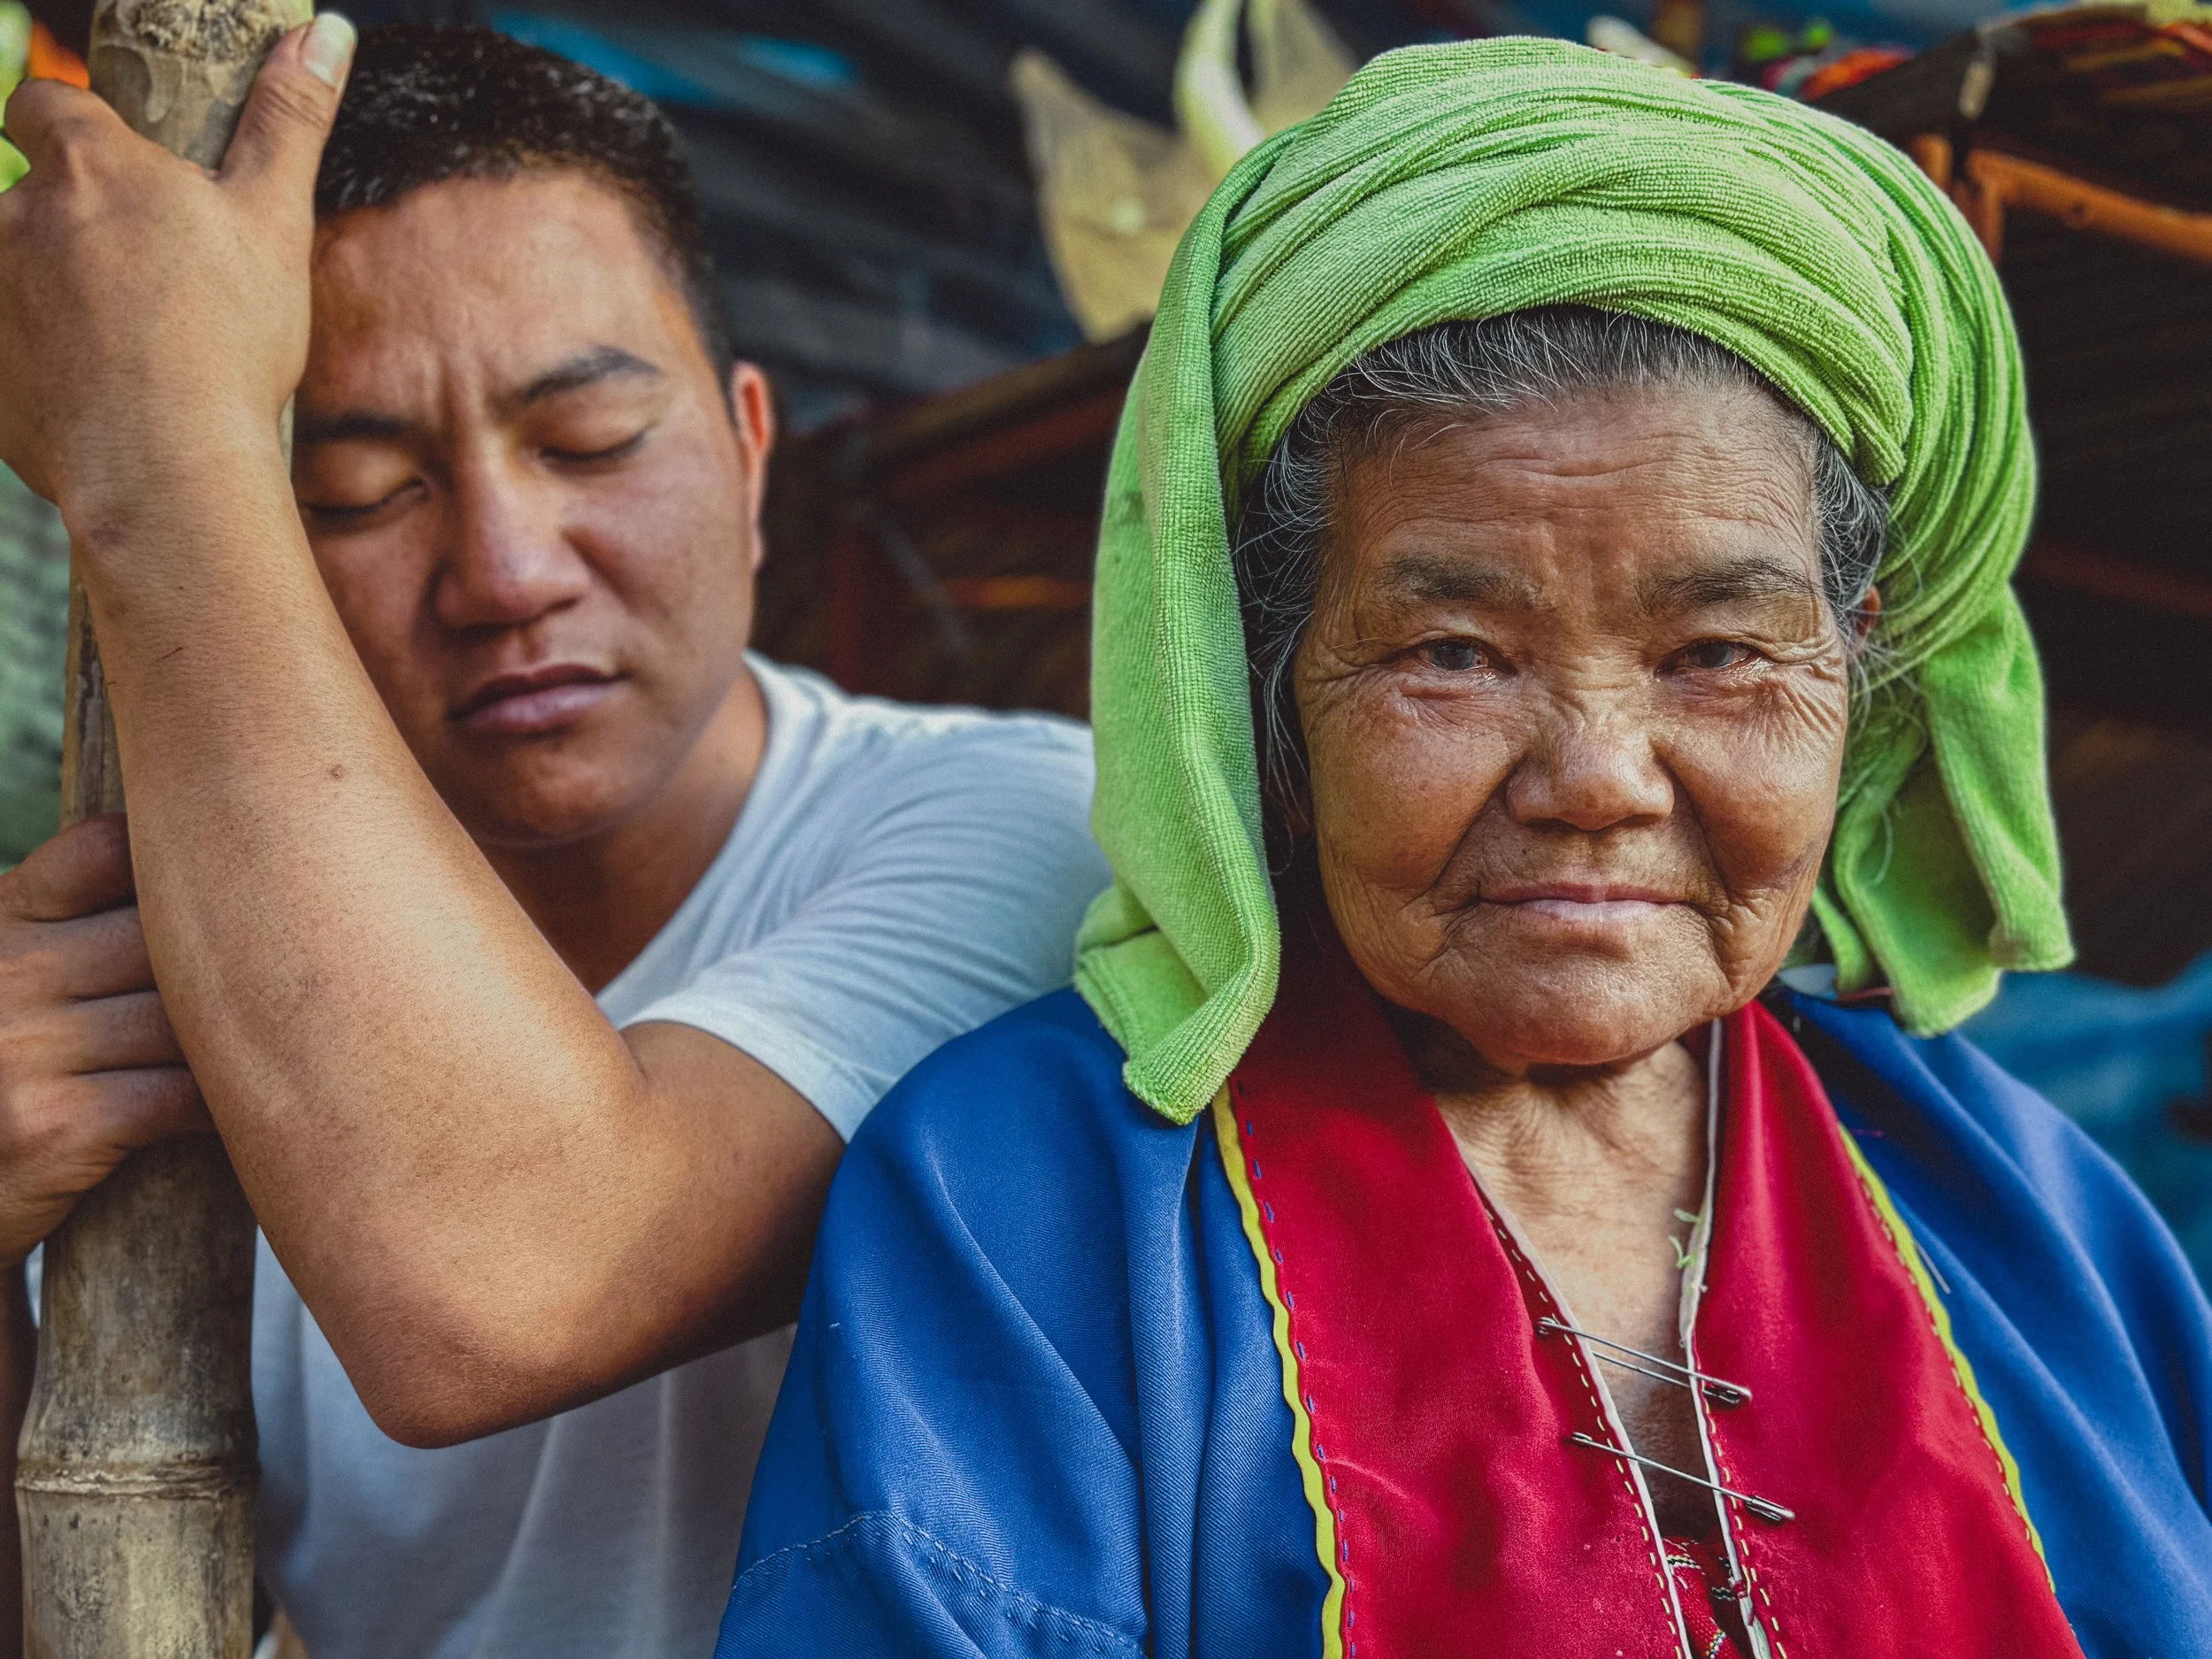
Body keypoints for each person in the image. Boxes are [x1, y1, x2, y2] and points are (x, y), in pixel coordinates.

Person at [718, 40, 2212, 1659]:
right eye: (1450, 651)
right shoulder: (1021, 1206)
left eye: (1720, 652)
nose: (1595, 778)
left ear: (1856, 668)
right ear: (1265, 675)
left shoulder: (2027, 1209)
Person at [0, 20, 1108, 1658]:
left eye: (589, 443)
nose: (507, 570)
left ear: (747, 451)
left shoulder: (1027, 827)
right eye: (359, 488)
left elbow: (502, 1279)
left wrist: (160, 453)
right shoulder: (158, 971)